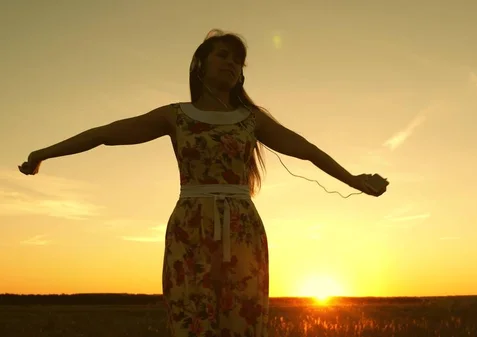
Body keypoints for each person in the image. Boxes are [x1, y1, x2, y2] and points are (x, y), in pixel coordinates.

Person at [18, 29, 389, 336]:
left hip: (242, 227)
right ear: (201, 64)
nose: (231, 64)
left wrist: (354, 180)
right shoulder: (175, 116)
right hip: (190, 226)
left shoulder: (250, 120)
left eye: (237, 61)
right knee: (189, 316)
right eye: (223, 55)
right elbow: (105, 134)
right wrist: (42, 154)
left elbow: (306, 149)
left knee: (242, 317)